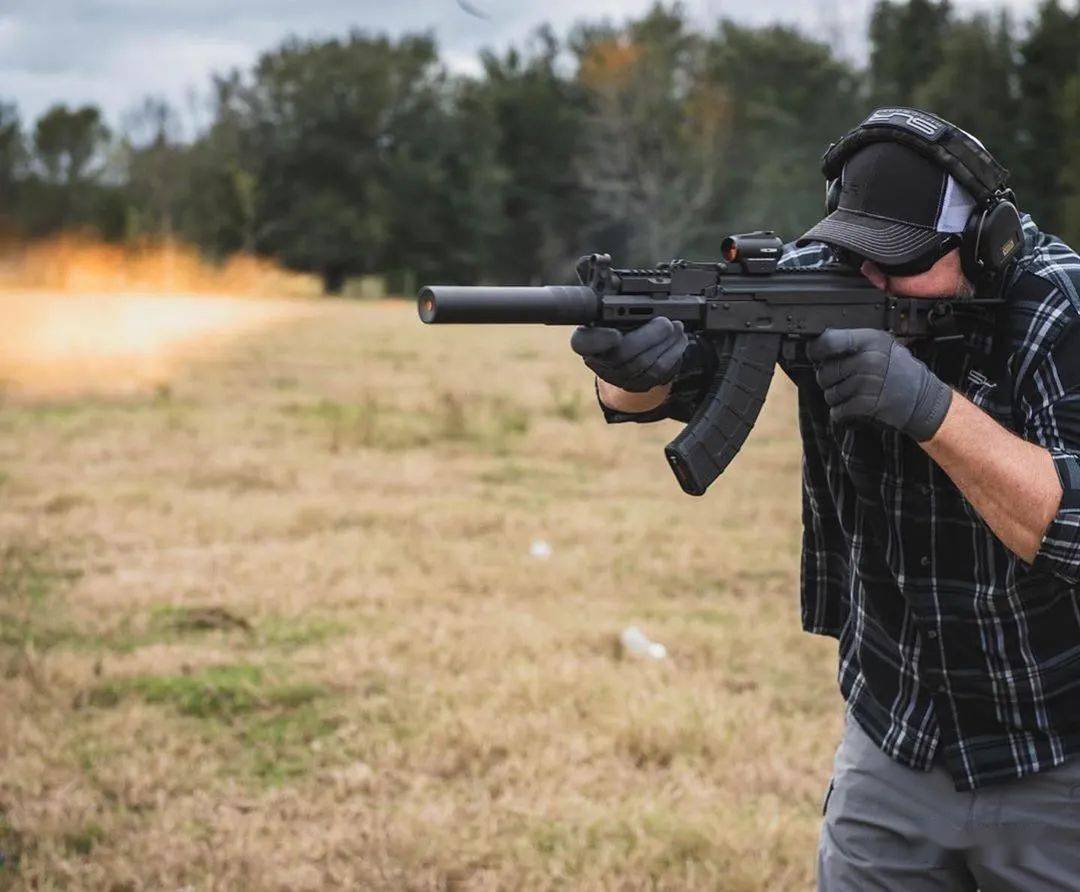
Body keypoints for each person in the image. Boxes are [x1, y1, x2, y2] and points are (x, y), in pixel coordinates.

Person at [571, 107, 1080, 890]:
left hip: (1057, 749)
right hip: (894, 727)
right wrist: (632, 370)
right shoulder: (822, 273)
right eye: (857, 253)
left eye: (899, 261)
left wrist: (930, 409)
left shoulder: (1056, 308)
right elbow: (674, 380)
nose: (868, 279)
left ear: (987, 241)